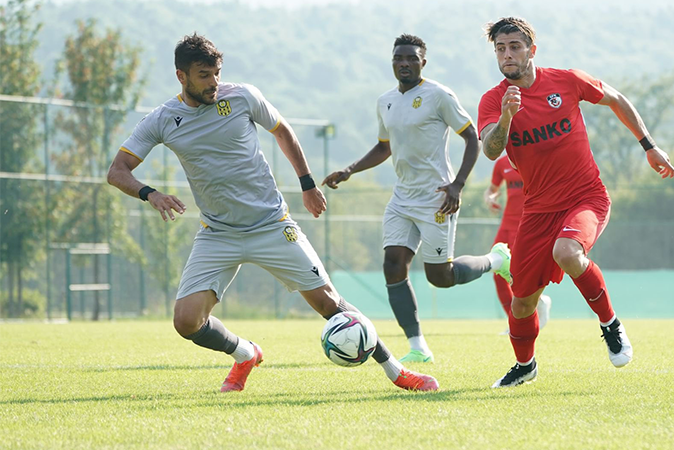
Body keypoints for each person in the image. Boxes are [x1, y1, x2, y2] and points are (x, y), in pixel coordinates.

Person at [106, 33, 438, 392]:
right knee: (186, 322)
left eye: (217, 72)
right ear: (181, 76)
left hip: (272, 225)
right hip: (217, 233)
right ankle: (245, 353)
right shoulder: (162, 119)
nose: (214, 82)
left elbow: (283, 132)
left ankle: (398, 373)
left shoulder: (243, 96)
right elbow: (117, 171)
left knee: (330, 303)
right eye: (204, 75)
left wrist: (307, 184)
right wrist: (150, 194)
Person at [478, 17, 674, 388]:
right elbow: (491, 150)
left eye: (514, 47)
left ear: (531, 51)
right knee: (522, 303)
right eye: (500, 49)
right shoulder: (493, 100)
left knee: (567, 252)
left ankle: (610, 324)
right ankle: (526, 365)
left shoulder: (566, 80)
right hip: (537, 212)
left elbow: (616, 98)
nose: (507, 55)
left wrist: (649, 146)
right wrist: (506, 115)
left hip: (586, 197)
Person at [322, 34, 511, 364]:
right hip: (401, 199)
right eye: (398, 58)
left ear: (423, 62)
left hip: (437, 198)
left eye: (411, 58)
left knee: (441, 277)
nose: (404, 63)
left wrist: (457, 185)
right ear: (392, 62)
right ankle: (417, 346)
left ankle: (496, 261)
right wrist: (350, 170)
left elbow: (471, 139)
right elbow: (385, 146)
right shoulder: (385, 101)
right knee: (393, 266)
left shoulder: (439, 95)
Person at [484, 156, 551, 335]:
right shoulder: (501, 163)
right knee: (498, 273)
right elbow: (492, 189)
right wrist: (489, 198)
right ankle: (514, 322)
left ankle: (535, 306)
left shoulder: (534, 157)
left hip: (527, 224)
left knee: (517, 273)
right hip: (506, 225)